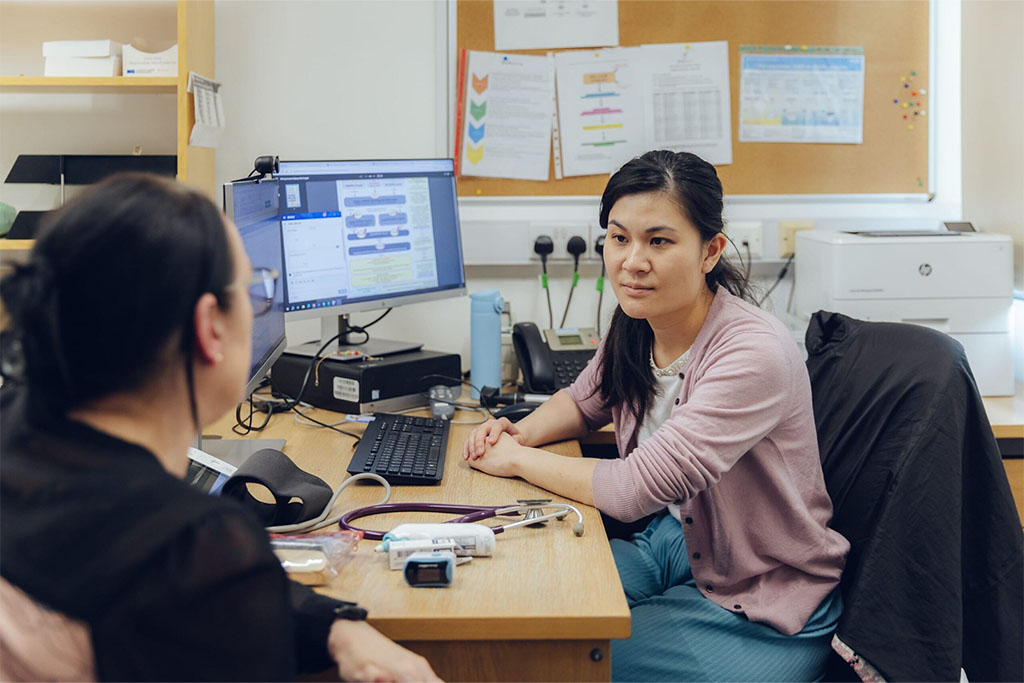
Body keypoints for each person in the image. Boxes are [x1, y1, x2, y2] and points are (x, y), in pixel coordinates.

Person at [0, 173, 439, 682]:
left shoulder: (18, 426)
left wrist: (334, 627)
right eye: (254, 291)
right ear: (210, 326)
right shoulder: (197, 551)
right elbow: (196, 578)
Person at [463, 150, 850, 681]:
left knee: (563, 662)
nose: (632, 261)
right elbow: (583, 401)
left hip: (765, 593)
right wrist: (515, 430)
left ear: (710, 251)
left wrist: (516, 460)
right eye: (619, 238)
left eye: (659, 241)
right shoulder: (639, 319)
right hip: (678, 545)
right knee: (516, 608)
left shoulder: (751, 351)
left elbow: (632, 490)